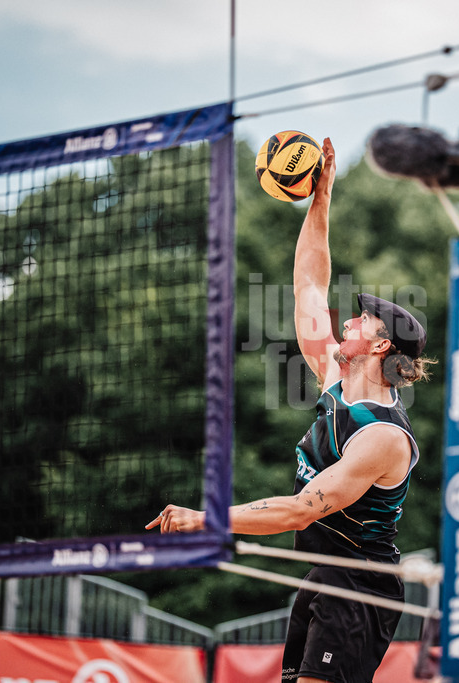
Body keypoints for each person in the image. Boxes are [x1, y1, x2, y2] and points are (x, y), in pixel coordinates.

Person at [146, 138, 433, 683]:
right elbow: (308, 282)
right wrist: (320, 199)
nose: (349, 320)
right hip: (327, 576)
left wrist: (207, 522)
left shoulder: (382, 437)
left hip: (360, 588)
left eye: (363, 321)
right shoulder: (334, 379)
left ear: (380, 347)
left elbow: (300, 511)